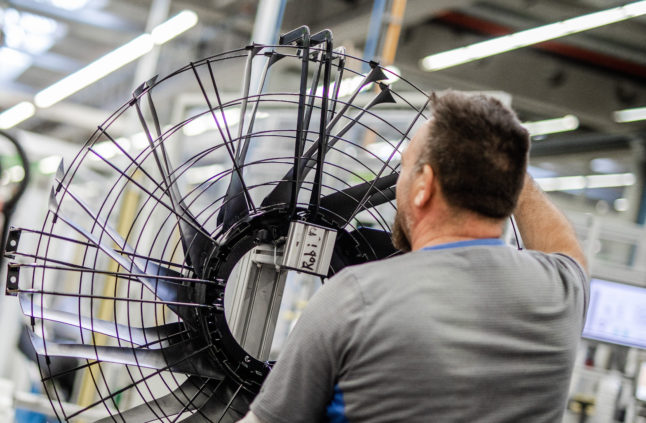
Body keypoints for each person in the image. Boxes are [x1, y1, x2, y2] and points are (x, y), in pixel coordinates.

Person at [237, 90, 589, 422]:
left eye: (404, 167)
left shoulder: (356, 298)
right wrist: (500, 164)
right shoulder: (561, 292)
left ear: (424, 187)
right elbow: (565, 248)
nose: (397, 182)